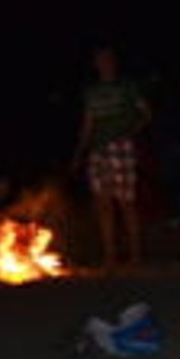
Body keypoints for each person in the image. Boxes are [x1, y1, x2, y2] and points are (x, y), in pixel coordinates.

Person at [71, 45, 152, 268]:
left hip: (121, 147)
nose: (104, 64)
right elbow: (87, 124)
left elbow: (147, 113)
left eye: (108, 59)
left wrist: (129, 132)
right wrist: (79, 152)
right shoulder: (92, 91)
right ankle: (110, 257)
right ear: (96, 64)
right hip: (97, 150)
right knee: (103, 205)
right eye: (100, 60)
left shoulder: (127, 86)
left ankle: (136, 256)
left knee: (126, 203)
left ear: (114, 62)